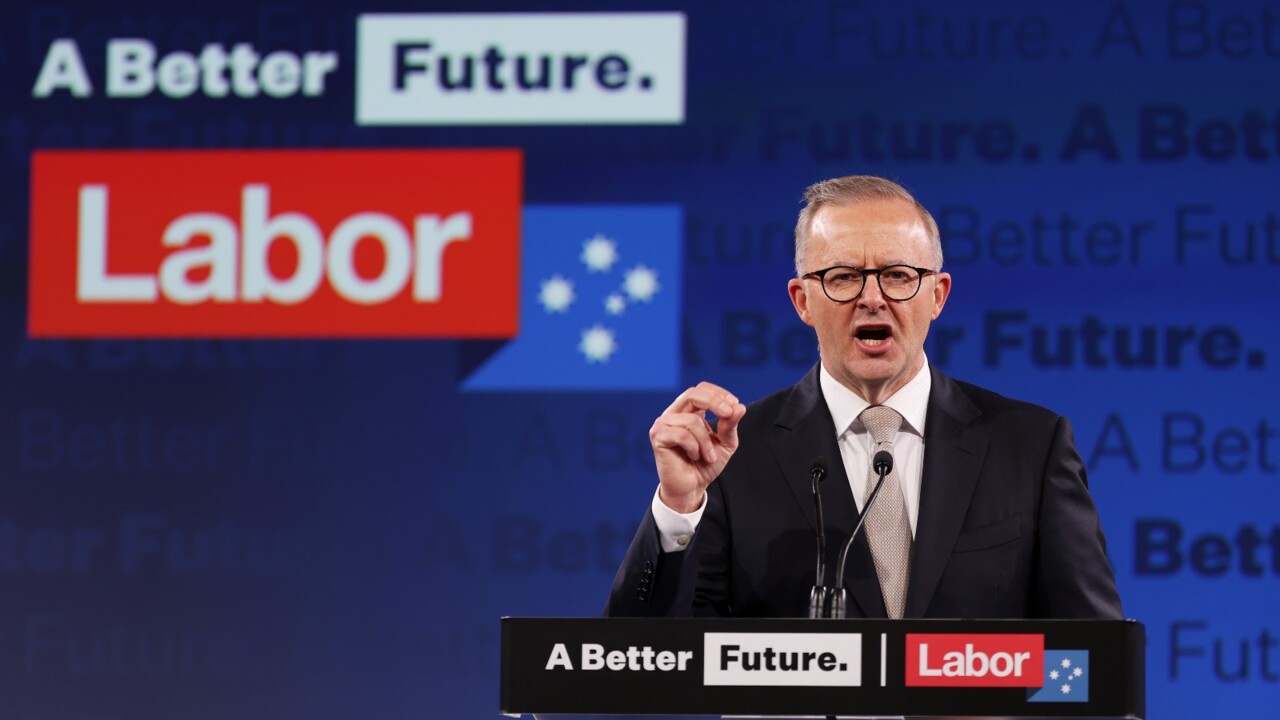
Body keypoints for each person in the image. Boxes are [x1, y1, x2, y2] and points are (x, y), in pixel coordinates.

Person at [606, 175, 1123, 619]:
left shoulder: (1030, 447)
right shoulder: (732, 455)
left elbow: (1093, 665)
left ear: (938, 295)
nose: (871, 298)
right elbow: (640, 667)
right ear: (802, 300)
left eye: (898, 275)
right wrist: (678, 508)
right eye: (843, 277)